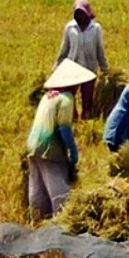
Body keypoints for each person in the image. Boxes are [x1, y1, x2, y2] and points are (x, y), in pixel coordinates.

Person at [26, 58, 96, 218]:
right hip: (49, 147)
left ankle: (36, 219)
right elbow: (64, 127)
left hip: (33, 145)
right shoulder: (66, 99)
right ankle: (61, 224)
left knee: (37, 188)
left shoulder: (47, 97)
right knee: (59, 191)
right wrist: (72, 151)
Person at [54, 0, 109, 119]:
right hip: (72, 68)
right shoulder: (70, 28)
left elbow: (100, 51)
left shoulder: (95, 29)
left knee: (87, 100)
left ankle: (86, 121)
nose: (81, 16)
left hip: (89, 70)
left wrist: (106, 71)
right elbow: (64, 50)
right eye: (78, 13)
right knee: (69, 98)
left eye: (83, 13)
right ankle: (72, 120)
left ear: (88, 12)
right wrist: (56, 69)